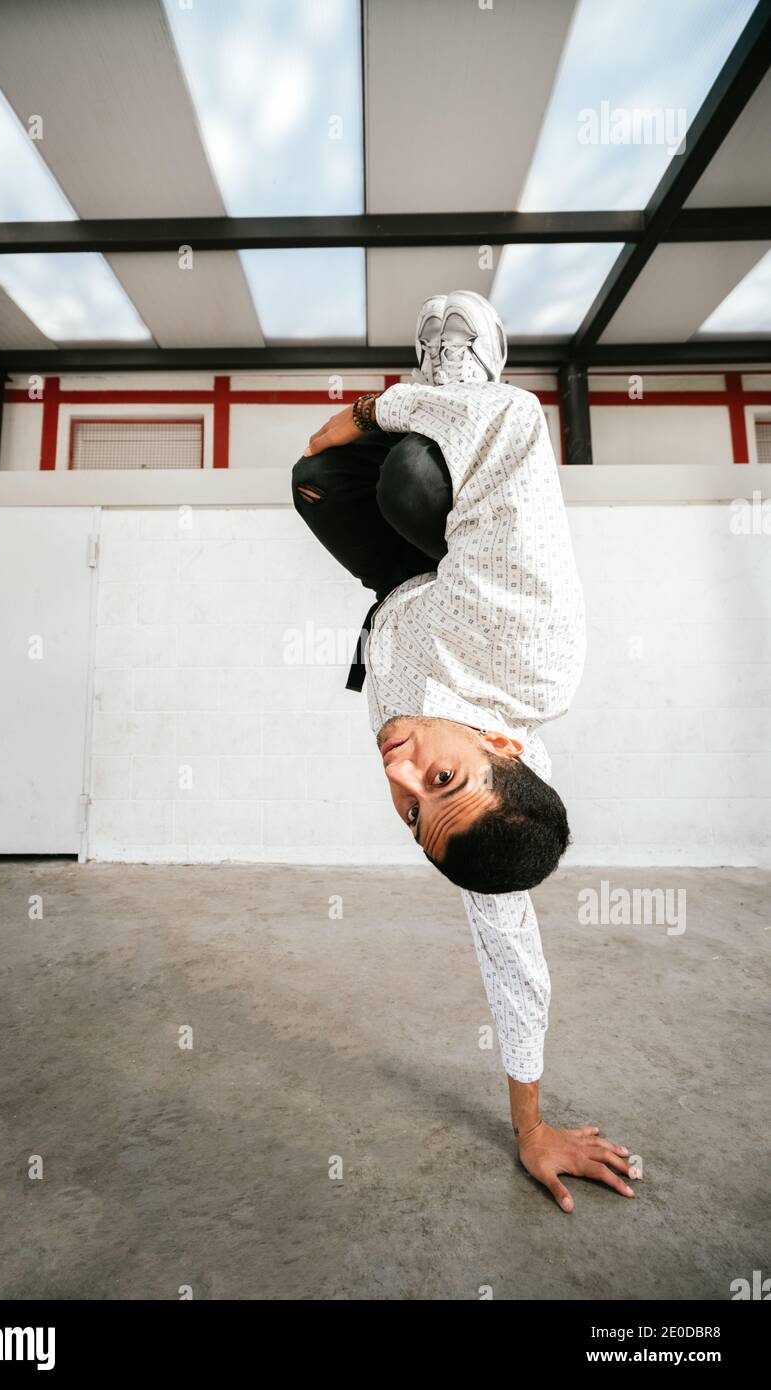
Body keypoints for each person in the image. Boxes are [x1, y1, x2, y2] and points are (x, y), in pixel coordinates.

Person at [291, 290, 637, 1213]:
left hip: (400, 590)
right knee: (414, 466)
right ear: (496, 741)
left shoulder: (472, 818)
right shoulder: (531, 646)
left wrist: (531, 1127)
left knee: (308, 480)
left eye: (410, 810)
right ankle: (459, 374)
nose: (397, 770)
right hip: (452, 549)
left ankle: (403, 437)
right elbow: (517, 426)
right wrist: (370, 408)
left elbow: (514, 963)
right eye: (436, 778)